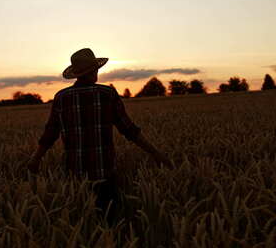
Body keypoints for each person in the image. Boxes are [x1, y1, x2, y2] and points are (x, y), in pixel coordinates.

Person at [27, 48, 172, 223]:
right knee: (110, 223)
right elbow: (130, 131)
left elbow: (50, 134)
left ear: (77, 74)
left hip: (75, 176)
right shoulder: (107, 94)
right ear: (93, 71)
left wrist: (36, 158)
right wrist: (155, 153)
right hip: (105, 173)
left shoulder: (61, 97)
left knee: (83, 226)